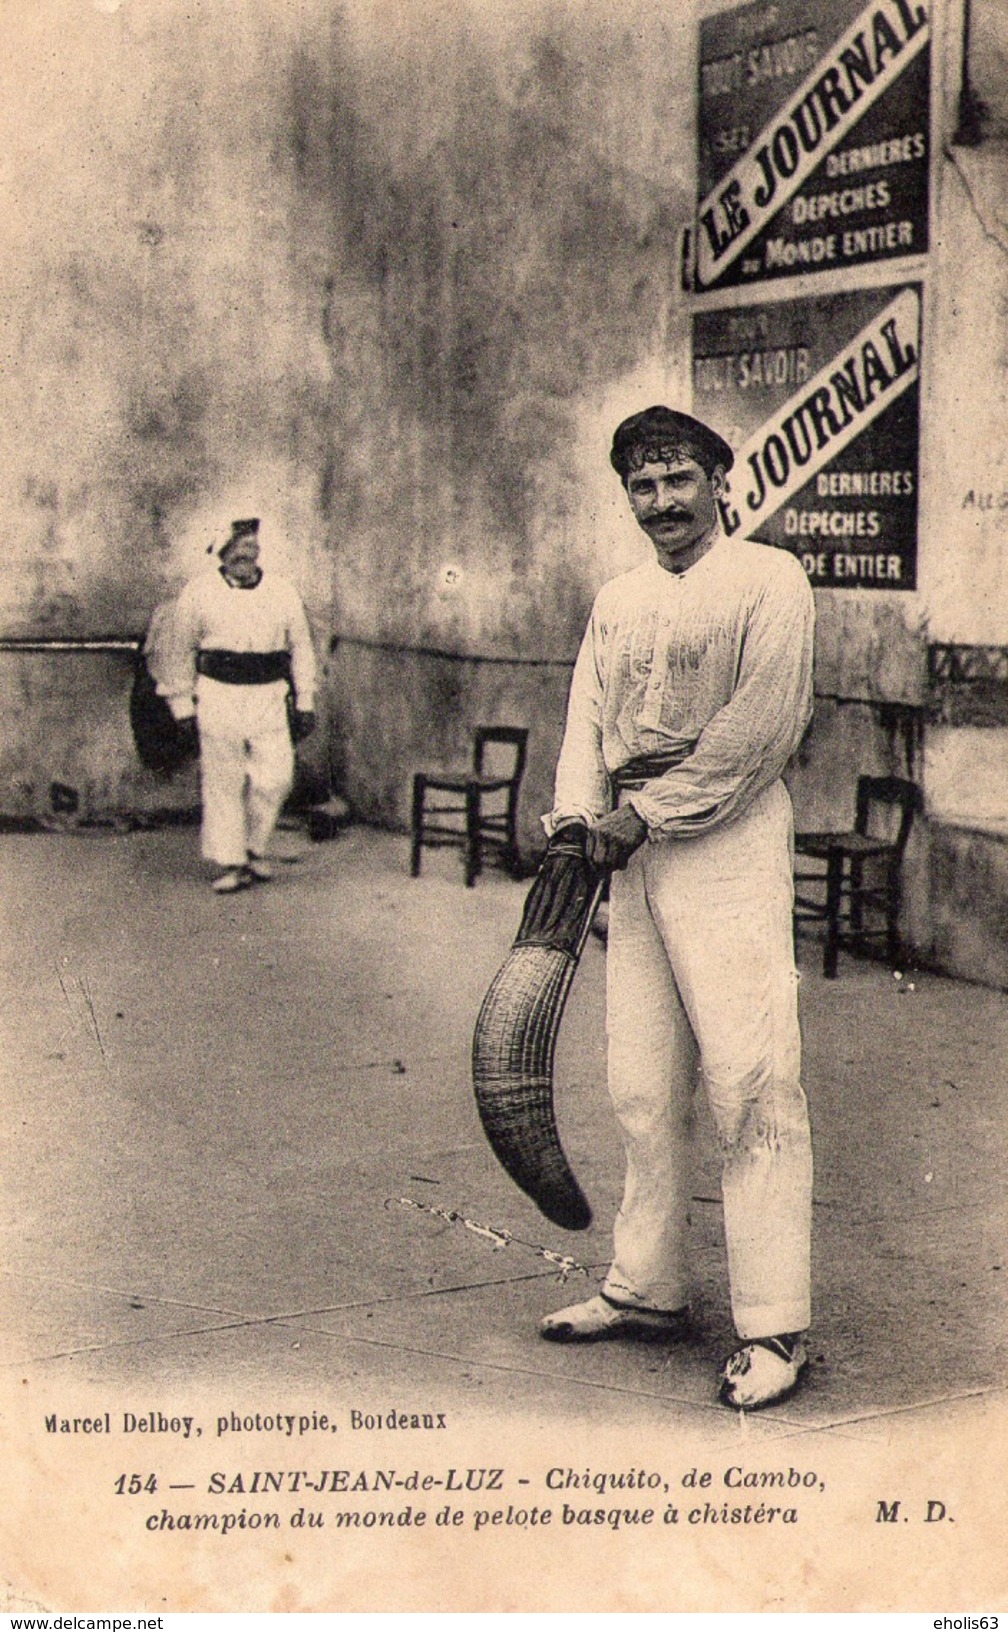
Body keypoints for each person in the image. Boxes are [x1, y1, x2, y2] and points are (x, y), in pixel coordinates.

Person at [539, 405, 816, 1411]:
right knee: (643, 1085)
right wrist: (579, 822)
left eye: (679, 480)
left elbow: (759, 732)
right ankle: (646, 1287)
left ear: (717, 481)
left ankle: (776, 1328)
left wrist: (647, 812)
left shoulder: (769, 579)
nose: (662, 503)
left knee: (752, 1080)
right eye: (643, 486)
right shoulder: (616, 598)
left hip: (726, 838)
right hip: (630, 848)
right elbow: (588, 720)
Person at [161, 517, 318, 893]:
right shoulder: (198, 593)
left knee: (275, 778)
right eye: (238, 552)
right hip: (219, 694)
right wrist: (181, 705)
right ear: (223, 555)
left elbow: (301, 647)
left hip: (268, 695)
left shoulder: (282, 592)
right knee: (224, 780)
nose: (246, 559)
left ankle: (254, 848)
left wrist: (305, 699)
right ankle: (232, 862)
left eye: (252, 551)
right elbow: (178, 649)